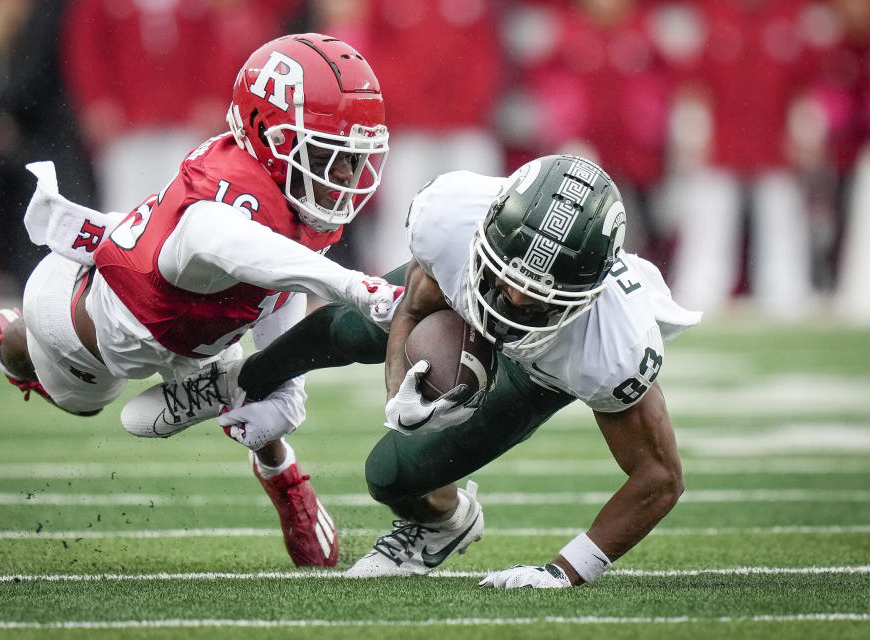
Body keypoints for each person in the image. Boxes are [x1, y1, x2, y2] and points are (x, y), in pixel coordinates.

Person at [0, 33, 396, 568]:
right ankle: (14, 345)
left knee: (271, 394)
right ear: (266, 135)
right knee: (85, 402)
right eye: (326, 153)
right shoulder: (226, 198)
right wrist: (352, 286)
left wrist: (286, 390)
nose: (343, 175)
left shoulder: (291, 192)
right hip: (89, 320)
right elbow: (223, 238)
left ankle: (283, 476)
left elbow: (280, 279)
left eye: (351, 157)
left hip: (201, 326)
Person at [210, 154, 701, 586]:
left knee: (391, 474)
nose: (513, 299)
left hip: (538, 366)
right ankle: (233, 381)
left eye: (537, 296)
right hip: (462, 295)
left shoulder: (611, 345)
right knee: (340, 327)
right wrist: (395, 391)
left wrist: (566, 570)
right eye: (507, 277)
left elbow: (659, 476)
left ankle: (443, 523)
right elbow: (413, 307)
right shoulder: (452, 218)